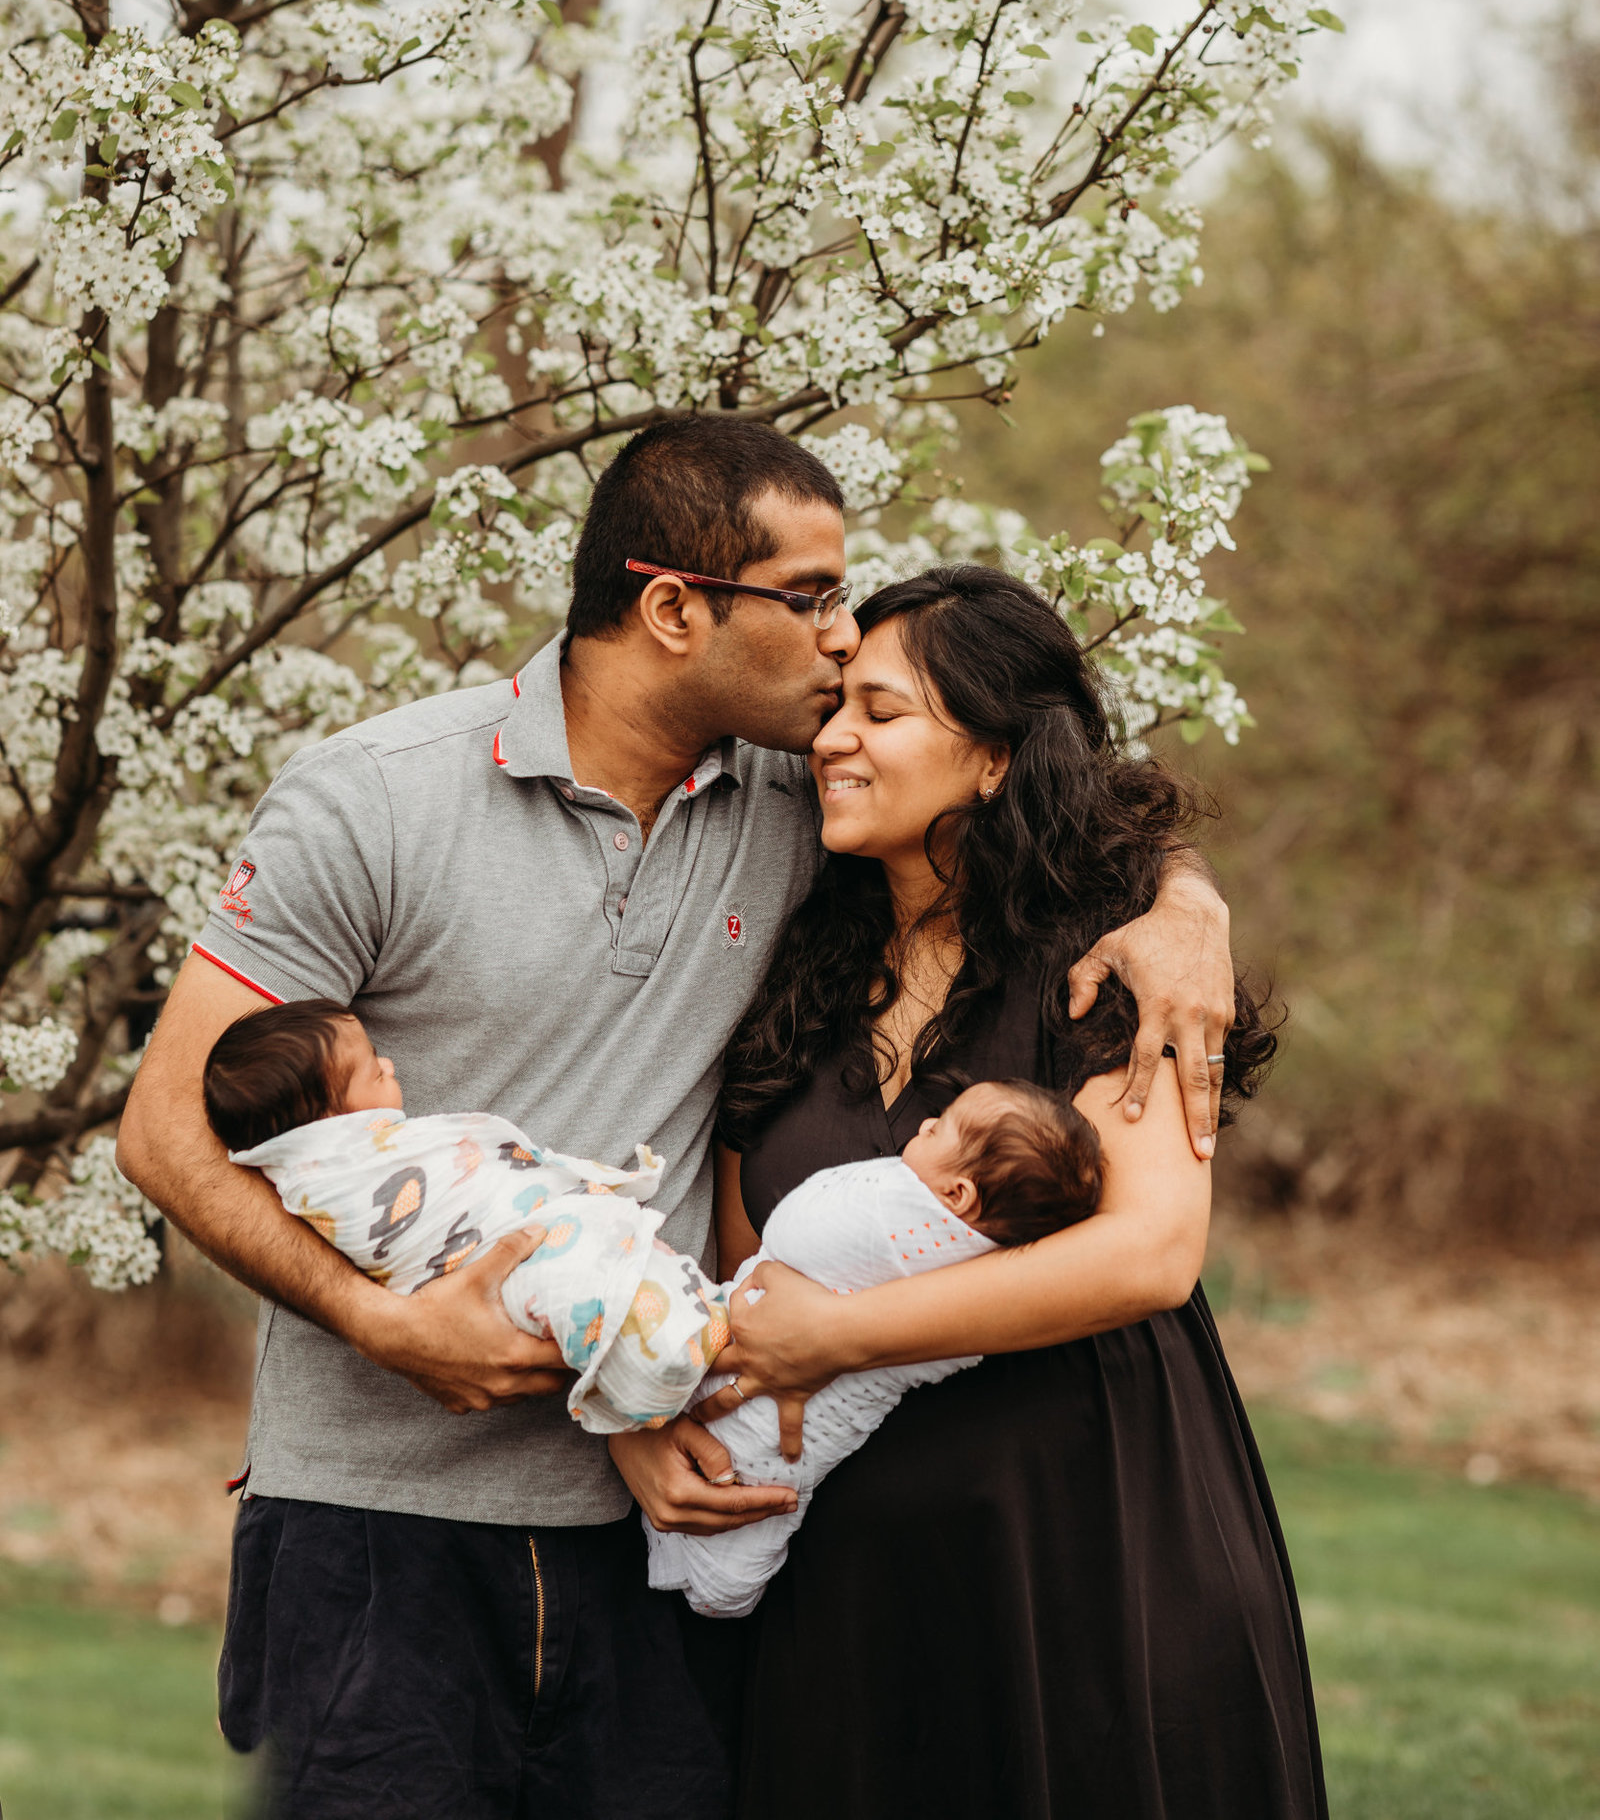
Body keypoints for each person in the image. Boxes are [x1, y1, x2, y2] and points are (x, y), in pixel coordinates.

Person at [117, 415, 1235, 1820]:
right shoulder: (377, 801)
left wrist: (1188, 907)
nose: (841, 643)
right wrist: (383, 1324)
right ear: (671, 608)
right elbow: (164, 1129)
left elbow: (1042, 783)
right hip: (384, 1524)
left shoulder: (791, 799)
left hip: (658, 1529)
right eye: (812, 598)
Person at [708, 565, 1326, 1820]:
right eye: (835, 710)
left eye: (879, 714)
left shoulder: (1108, 961)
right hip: (846, 1596)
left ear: (993, 756)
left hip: (1084, 1553)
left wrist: (833, 1336)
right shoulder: (798, 970)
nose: (831, 738)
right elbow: (742, 1263)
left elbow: (1147, 1253)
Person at [647, 1076, 1102, 1620]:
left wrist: (828, 1328)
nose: (927, 1123)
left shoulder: (928, 1240)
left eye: (943, 1126)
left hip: (959, 1532)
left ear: (957, 1196)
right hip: (842, 1536)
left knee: (755, 1487)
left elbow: (799, 1230)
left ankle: (721, 1587)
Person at [205, 1000, 733, 1432]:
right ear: (330, 1123)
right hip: (495, 1267)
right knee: (581, 1278)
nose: (389, 1065)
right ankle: (667, 1352)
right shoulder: (338, 1183)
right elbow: (419, 1226)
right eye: (372, 1069)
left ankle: (685, 1331)